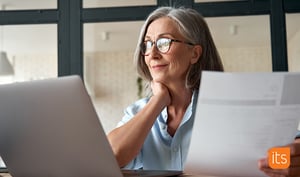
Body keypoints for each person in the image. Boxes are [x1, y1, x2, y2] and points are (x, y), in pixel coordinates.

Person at [107, 6, 300, 176]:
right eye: (148, 44)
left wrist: (288, 162)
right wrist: (158, 100)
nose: (152, 54)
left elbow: (279, 154)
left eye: (164, 43)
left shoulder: (230, 106)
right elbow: (111, 158)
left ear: (195, 53)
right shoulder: (137, 112)